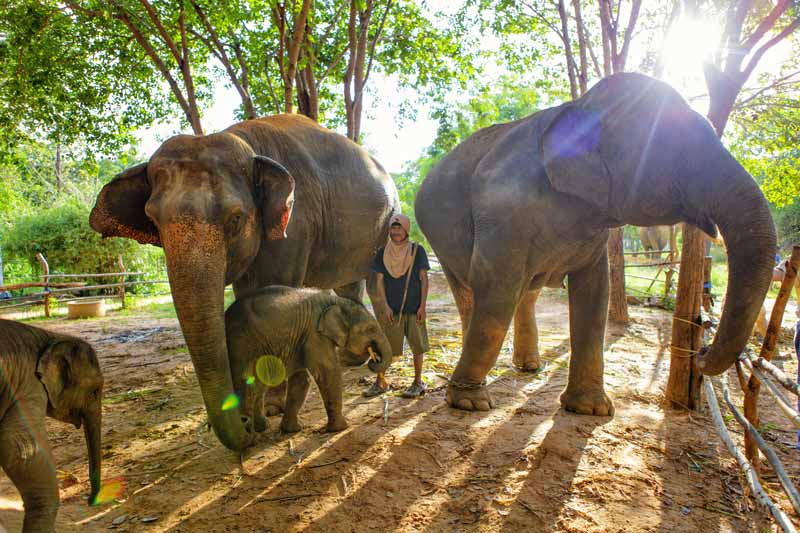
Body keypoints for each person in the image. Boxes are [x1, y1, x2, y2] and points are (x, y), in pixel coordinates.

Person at [363, 214, 430, 398]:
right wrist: (384, 306)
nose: (395, 232)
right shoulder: (383, 253)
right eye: (393, 228)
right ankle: (380, 382)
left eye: (399, 228)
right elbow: (379, 281)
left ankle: (418, 382)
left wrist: (422, 306)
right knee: (385, 347)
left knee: (418, 347)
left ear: (406, 230)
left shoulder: (417, 251)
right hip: (392, 310)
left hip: (414, 308)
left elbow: (424, 279)